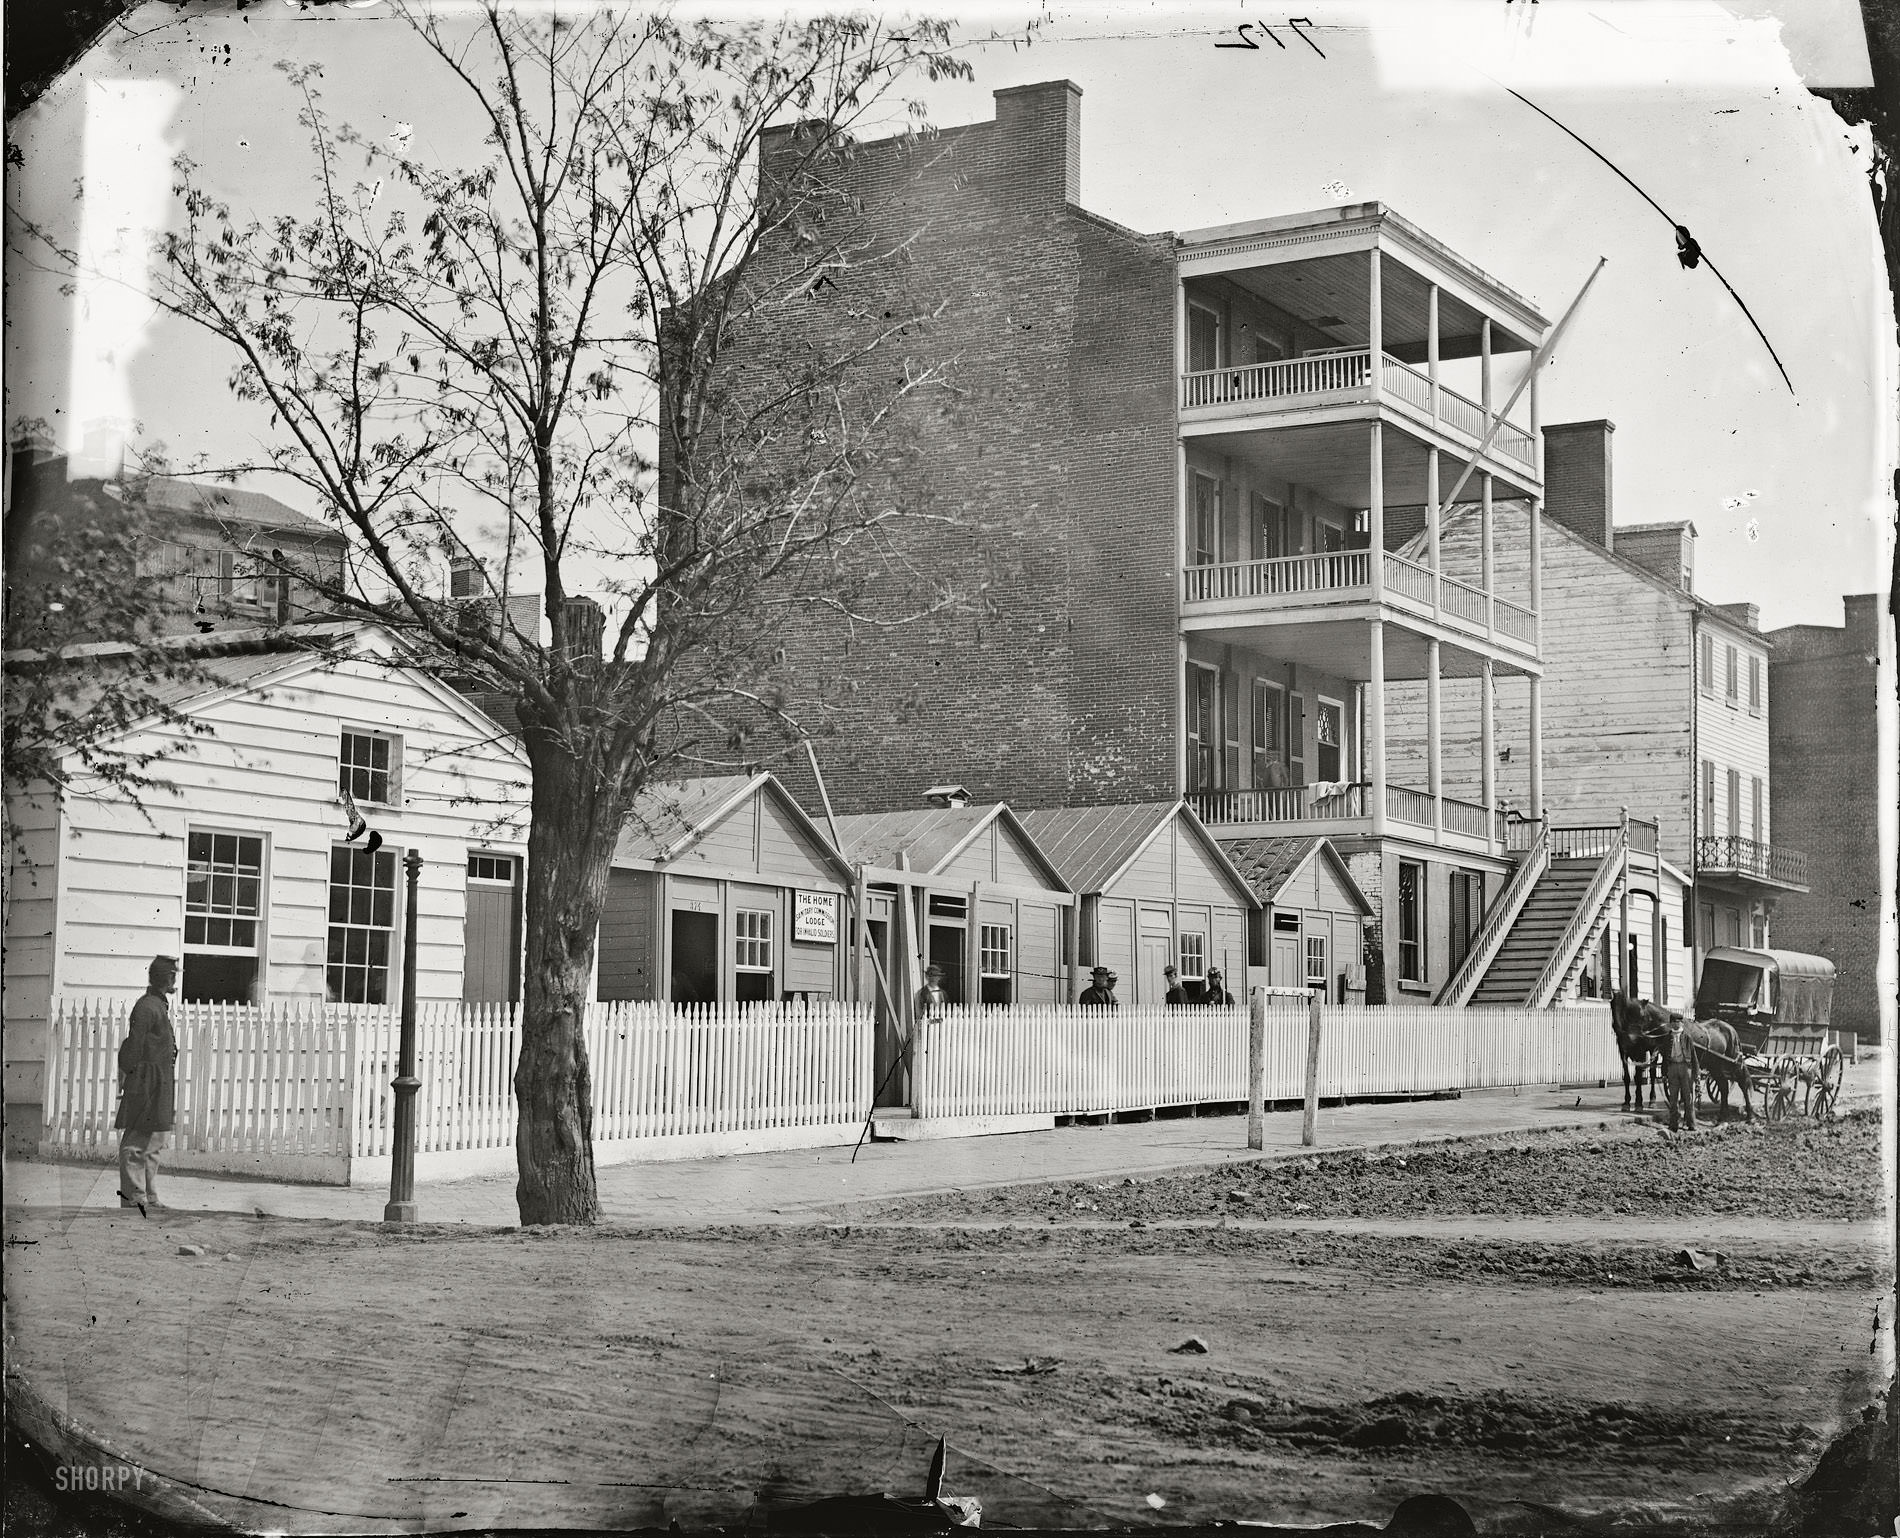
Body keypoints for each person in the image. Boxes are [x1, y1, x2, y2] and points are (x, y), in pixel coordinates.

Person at [116, 955, 179, 1215]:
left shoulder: (159, 1005)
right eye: (173, 974)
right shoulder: (146, 1007)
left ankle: (149, 1196)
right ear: (166, 978)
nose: (175, 978)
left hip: (160, 1081)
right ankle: (133, 1198)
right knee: (137, 1141)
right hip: (146, 1082)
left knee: (155, 1141)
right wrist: (131, 1079)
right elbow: (133, 1046)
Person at [1662, 1011, 1698, 1132]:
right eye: (1674, 1022)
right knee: (1673, 1098)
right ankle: (1674, 1124)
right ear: (1671, 1024)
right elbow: (1664, 1057)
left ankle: (1691, 1123)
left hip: (1685, 1068)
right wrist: (1663, 1074)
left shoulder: (1687, 1037)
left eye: (1678, 1022)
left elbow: (1693, 1056)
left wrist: (1696, 1073)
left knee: (1688, 1097)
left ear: (1681, 1023)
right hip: (1672, 1068)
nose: (1676, 1025)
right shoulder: (1667, 1038)